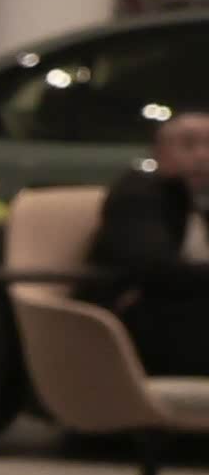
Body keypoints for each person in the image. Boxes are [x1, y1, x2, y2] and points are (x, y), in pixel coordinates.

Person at [97, 109, 209, 375]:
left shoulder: (200, 199)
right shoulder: (139, 193)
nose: (203, 155)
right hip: (139, 320)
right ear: (160, 152)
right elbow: (153, 268)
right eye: (188, 145)